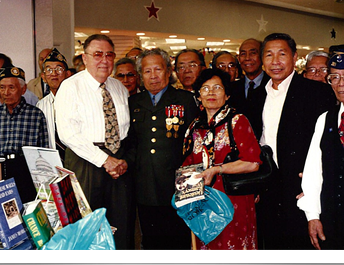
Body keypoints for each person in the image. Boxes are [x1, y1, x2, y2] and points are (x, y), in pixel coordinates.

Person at [54, 34, 135, 250]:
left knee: (121, 223)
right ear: (85, 57)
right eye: (97, 54)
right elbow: (67, 134)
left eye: (109, 55)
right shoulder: (70, 87)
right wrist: (104, 160)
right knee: (87, 225)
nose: (104, 60)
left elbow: (126, 130)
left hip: (118, 163)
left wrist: (122, 160)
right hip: (86, 162)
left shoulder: (118, 87)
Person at [257, 33, 336, 250]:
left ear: (294, 57)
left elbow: (328, 144)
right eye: (269, 55)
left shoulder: (317, 92)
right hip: (267, 189)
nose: (275, 61)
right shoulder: (256, 96)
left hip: (302, 188)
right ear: (262, 61)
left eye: (282, 54)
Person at [124, 48, 199, 249]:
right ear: (141, 75)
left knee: (179, 240)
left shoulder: (185, 100)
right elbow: (130, 143)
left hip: (178, 184)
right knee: (150, 240)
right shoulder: (133, 103)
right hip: (145, 184)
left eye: (158, 69)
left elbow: (195, 144)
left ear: (168, 71)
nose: (153, 76)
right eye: (147, 71)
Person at [181, 68, 262, 250]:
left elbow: (252, 163)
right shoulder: (195, 127)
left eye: (217, 87)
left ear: (226, 95)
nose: (211, 92)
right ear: (198, 95)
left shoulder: (237, 121)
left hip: (233, 201)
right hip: (203, 203)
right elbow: (187, 165)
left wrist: (217, 169)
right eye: (205, 88)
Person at [297, 52, 344, 250]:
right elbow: (312, 171)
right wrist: (312, 215)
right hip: (330, 218)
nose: (341, 83)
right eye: (334, 77)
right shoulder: (325, 119)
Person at [0, 66, 49, 202]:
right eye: (2, 88)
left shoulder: (36, 115)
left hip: (26, 173)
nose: (6, 92)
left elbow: (44, 152)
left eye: (11, 87)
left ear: (23, 90)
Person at [229, 38, 270, 139]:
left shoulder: (273, 84)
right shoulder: (231, 88)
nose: (247, 58)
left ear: (262, 56)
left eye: (253, 53)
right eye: (243, 54)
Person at [36, 48, 71, 161]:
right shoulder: (41, 106)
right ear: (43, 77)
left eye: (59, 69)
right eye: (49, 70)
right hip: (52, 162)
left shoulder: (79, 101)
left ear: (67, 74)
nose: (54, 74)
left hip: (78, 160)